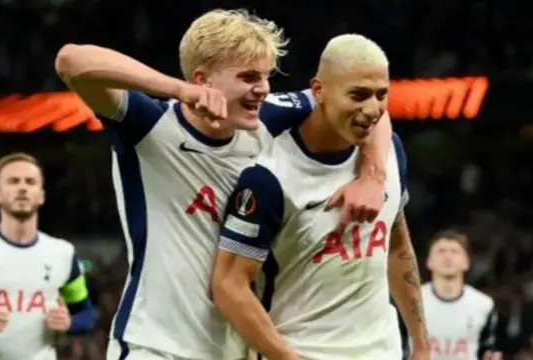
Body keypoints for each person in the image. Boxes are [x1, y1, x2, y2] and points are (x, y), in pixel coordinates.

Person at [55, 9, 395, 360]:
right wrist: (179, 90)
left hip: (232, 351)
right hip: (155, 346)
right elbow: (71, 61)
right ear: (203, 79)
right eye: (248, 77)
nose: (262, 89)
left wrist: (373, 175)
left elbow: (367, 104)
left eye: (265, 76)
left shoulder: (270, 117)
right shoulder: (150, 127)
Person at [211, 34, 429, 360]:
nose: (372, 109)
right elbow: (228, 285)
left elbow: (396, 246)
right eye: (358, 95)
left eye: (381, 95)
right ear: (318, 91)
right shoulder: (269, 177)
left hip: (383, 351)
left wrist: (421, 343)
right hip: (301, 350)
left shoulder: (389, 153)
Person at [0, 152, 95, 360]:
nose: (22, 187)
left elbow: (86, 315)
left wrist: (70, 323)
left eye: (30, 182)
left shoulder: (63, 253)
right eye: (13, 181)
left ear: (41, 195)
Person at [418, 230, 502, 360]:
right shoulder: (411, 301)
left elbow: (490, 348)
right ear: (429, 261)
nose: (447, 257)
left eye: (454, 251)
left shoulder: (484, 305)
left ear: (467, 262)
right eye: (441, 251)